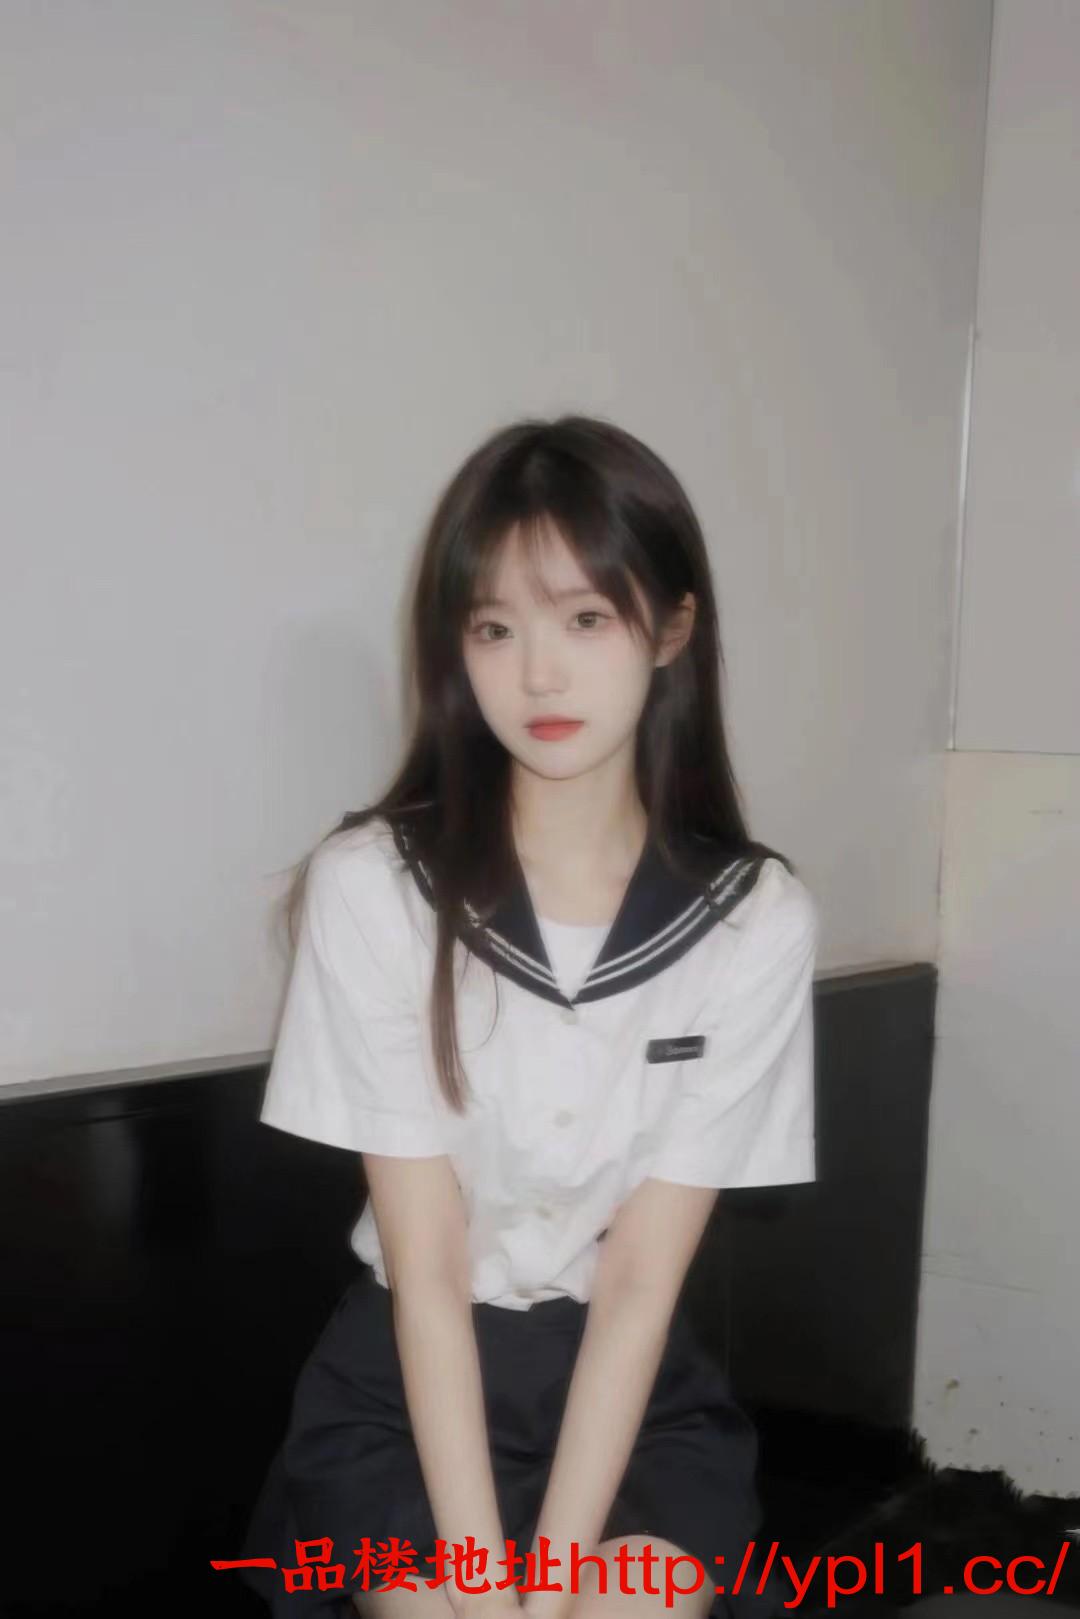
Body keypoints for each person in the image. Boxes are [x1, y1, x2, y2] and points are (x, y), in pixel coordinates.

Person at [239, 414, 820, 1619]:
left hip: (629, 1398)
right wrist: (483, 1584)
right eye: (495, 627)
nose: (538, 675)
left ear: (671, 628)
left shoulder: (754, 917)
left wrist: (548, 1591)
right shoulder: (373, 886)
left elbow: (641, 1281)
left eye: (585, 618)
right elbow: (428, 1268)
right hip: (409, 1389)